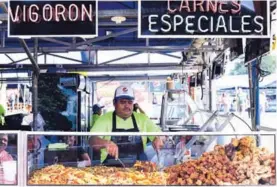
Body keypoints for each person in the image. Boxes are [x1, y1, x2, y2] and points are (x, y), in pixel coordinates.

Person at [89, 86, 164, 166]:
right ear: (114, 103)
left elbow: (162, 136)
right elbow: (92, 140)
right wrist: (105, 143)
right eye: (122, 102)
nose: (127, 106)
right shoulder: (104, 119)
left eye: (130, 102)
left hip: (140, 170)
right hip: (110, 170)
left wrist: (158, 138)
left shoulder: (142, 119)